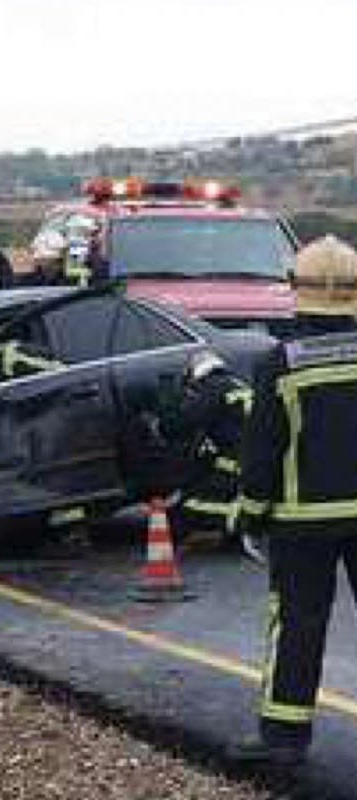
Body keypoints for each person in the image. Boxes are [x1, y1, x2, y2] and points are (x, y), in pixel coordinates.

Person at [228, 235, 357, 765]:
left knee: (299, 623)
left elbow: (262, 451)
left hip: (302, 524)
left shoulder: (281, 362)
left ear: (295, 290)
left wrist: (249, 514)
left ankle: (283, 738)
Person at [168, 351, 252, 547]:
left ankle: (238, 520)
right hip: (254, 463)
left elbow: (185, 422)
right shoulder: (239, 384)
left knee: (187, 507)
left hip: (235, 467)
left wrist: (166, 419)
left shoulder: (211, 389)